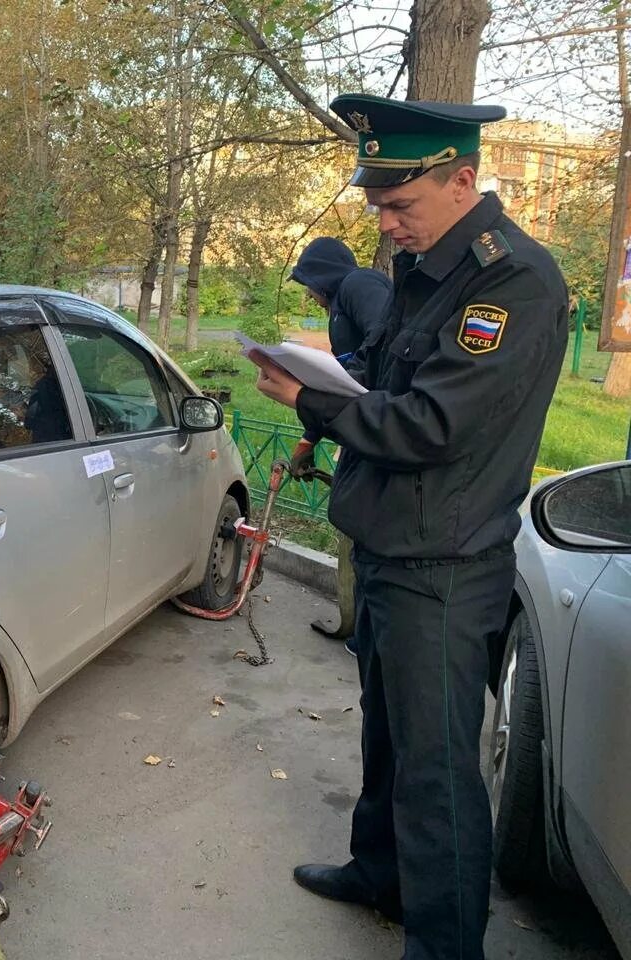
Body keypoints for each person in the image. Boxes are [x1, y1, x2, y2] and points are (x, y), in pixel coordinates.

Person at [251, 94, 568, 960]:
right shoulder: (426, 269)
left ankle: (443, 942)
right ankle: (379, 872)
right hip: (393, 546)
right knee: (387, 735)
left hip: (445, 566)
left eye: (401, 204)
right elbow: (386, 375)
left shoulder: (511, 281)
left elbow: (433, 424)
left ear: (463, 179)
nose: (386, 224)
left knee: (437, 771)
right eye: (377, 205)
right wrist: (320, 374)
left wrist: (310, 400)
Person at [288, 238, 393, 646]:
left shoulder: (359, 283)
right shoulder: (338, 308)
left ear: (321, 277)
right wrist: (307, 439)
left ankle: (364, 634)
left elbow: (380, 347)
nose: (309, 296)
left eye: (308, 285)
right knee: (354, 530)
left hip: (380, 427)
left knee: (365, 537)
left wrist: (343, 366)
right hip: (359, 428)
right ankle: (357, 629)